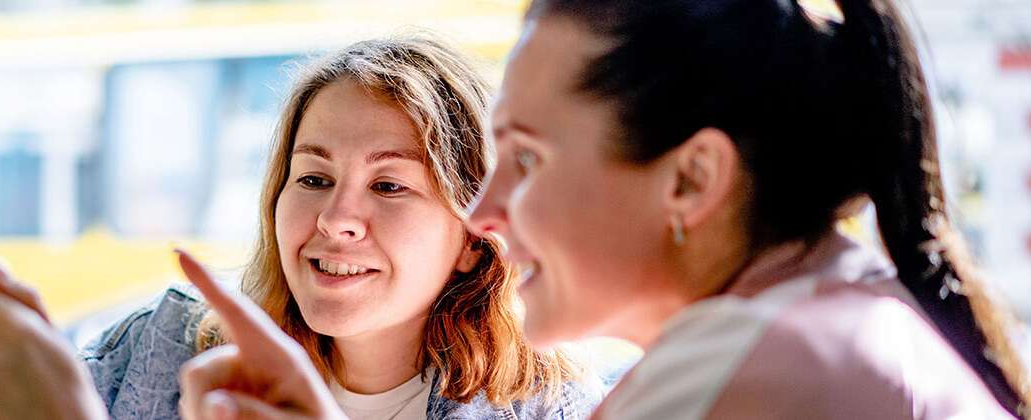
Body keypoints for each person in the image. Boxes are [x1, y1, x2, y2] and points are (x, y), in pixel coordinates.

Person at [172, 0, 1031, 418]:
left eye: (530, 159)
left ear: (692, 180)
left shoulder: (754, 375)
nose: (487, 211)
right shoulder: (832, 321)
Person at [0, 36, 605, 420]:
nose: (335, 219)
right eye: (312, 178)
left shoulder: (553, 409)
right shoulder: (165, 351)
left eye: (389, 186)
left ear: (476, 231)